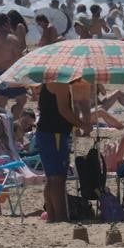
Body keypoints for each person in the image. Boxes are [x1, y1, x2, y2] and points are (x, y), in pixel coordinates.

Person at [37, 81, 82, 222]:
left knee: (52, 178)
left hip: (49, 133)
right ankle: (61, 217)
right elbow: (64, 110)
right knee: (57, 178)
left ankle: (52, 215)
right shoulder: (60, 83)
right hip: (53, 134)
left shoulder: (51, 82)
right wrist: (82, 124)